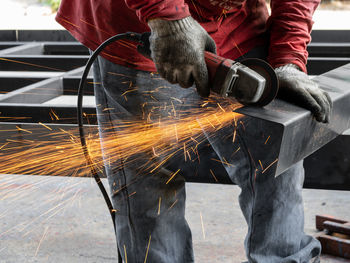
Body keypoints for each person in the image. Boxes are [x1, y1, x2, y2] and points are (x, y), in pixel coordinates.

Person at [56, 0, 331, 262]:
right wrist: (166, 16)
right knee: (149, 183)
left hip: (237, 23)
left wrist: (288, 59)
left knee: (275, 157)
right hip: (140, 23)